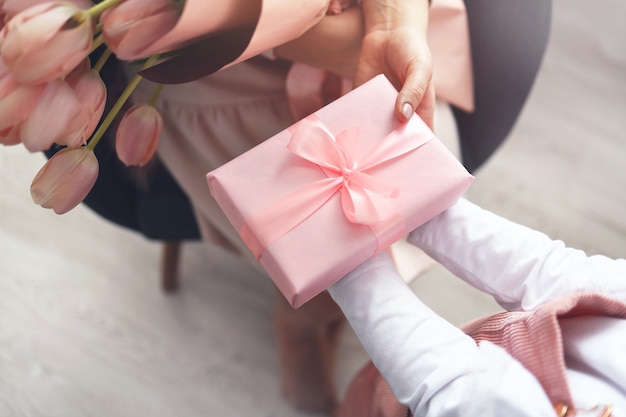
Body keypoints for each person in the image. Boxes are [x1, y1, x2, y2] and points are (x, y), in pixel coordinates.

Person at [123, 0, 469, 413]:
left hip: (361, 36)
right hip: (223, 70)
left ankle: (337, 312)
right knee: (332, 264)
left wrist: (394, 18)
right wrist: (340, 35)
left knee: (410, 215)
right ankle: (302, 324)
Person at [329, 197, 626, 416]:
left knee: (373, 400)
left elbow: (456, 392)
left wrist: (347, 263)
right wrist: (412, 200)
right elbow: (563, 277)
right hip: (430, 364)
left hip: (421, 393)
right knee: (375, 381)